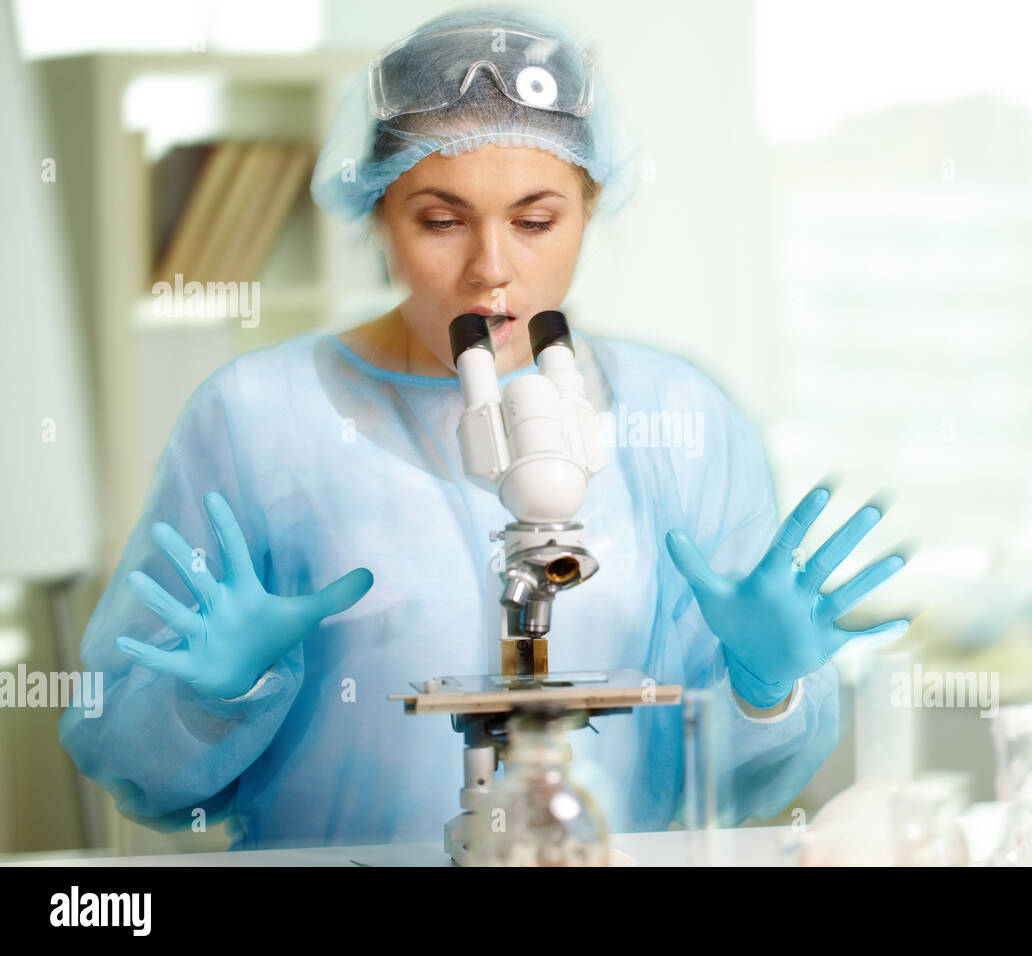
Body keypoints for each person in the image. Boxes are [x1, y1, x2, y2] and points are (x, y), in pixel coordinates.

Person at [59, 5, 909, 851]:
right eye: (441, 220)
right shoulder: (257, 415)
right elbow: (127, 762)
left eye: (536, 222)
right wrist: (208, 701)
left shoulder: (679, 417)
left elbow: (741, 787)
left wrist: (767, 692)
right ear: (376, 213)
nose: (491, 269)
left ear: (591, 204)